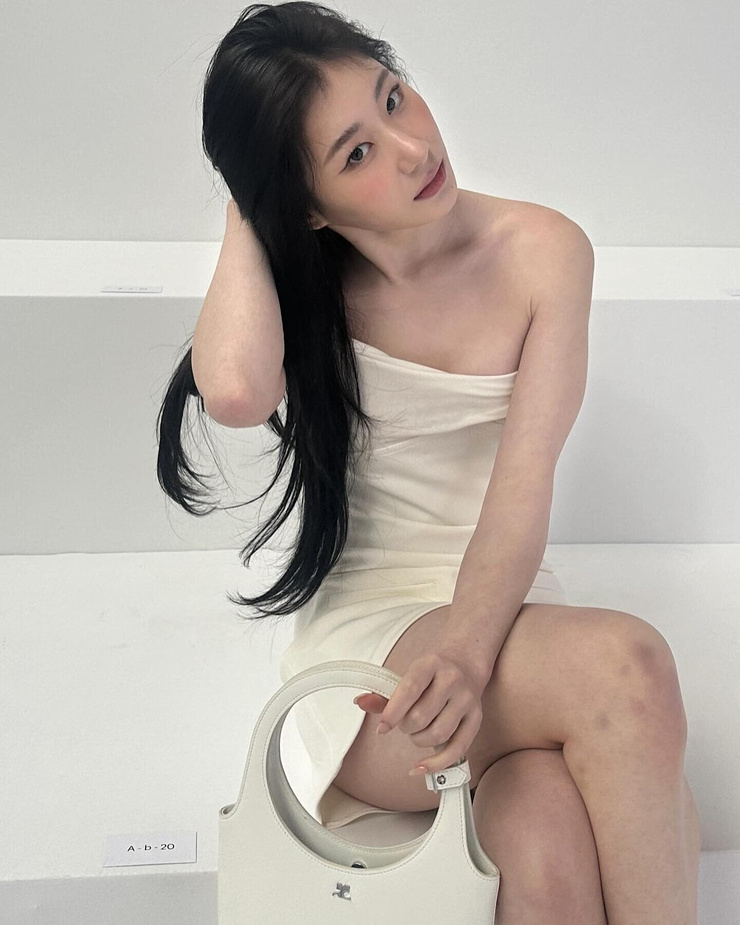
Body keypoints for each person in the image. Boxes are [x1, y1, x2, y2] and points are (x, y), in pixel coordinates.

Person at [156, 5, 701, 922]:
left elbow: (525, 477)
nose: (413, 150)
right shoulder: (312, 290)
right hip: (379, 661)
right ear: (308, 206)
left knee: (548, 850)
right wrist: (253, 196)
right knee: (630, 669)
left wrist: (472, 649)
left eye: (393, 98)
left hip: (507, 617)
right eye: (356, 154)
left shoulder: (544, 250)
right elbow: (238, 393)